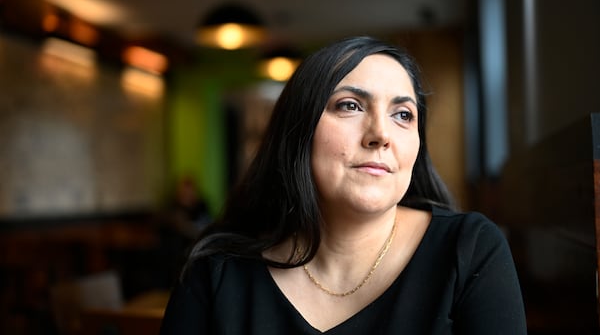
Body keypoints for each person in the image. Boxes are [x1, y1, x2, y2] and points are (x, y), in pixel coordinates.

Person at [160, 36, 527, 334]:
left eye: (403, 115)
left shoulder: (469, 251)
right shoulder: (215, 275)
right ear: (298, 131)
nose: (381, 135)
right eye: (350, 106)